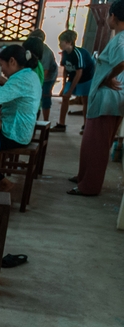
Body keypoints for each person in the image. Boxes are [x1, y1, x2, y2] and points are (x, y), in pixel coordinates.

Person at [68, 0, 124, 196]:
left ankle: (89, 186)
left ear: (114, 17)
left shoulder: (121, 40)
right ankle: (83, 177)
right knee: (91, 143)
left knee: (97, 146)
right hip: (105, 99)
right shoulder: (118, 38)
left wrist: (108, 78)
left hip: (108, 100)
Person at [0, 45, 41, 190]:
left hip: (15, 133)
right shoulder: (29, 74)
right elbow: (9, 95)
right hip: (20, 129)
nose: (2, 70)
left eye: (2, 65)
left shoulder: (21, 79)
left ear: (12, 61)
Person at [54, 30, 96, 133]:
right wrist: (64, 86)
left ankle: (86, 125)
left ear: (69, 42)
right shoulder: (64, 53)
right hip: (72, 77)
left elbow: (79, 73)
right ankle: (61, 124)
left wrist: (70, 90)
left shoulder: (78, 54)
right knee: (65, 98)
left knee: (85, 100)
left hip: (86, 78)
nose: (60, 44)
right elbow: (65, 69)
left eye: (61, 42)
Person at [30, 29, 59, 121]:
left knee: (45, 96)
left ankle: (46, 121)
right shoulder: (31, 48)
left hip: (47, 78)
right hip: (37, 75)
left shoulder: (45, 52)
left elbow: (45, 71)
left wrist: (38, 84)